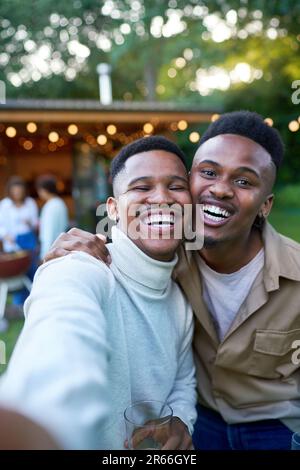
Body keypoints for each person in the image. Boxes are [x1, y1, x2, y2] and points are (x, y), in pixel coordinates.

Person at [46, 111, 300, 450]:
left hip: (277, 425)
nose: (221, 189)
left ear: (266, 205)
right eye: (208, 173)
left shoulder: (295, 274)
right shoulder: (168, 250)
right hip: (201, 419)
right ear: (192, 181)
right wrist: (78, 248)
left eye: (244, 181)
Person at [0, 136, 197, 450]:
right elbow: (62, 327)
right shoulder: (81, 266)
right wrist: (40, 420)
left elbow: (183, 381)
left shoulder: (180, 299)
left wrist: (182, 418)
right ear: (113, 209)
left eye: (175, 186)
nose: (161, 198)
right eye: (142, 187)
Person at [0, 176, 39, 307]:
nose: (17, 194)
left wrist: (30, 223)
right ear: (10, 191)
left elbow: (35, 223)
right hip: (13, 242)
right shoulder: (4, 205)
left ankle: (35, 298)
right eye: (15, 191)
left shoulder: (30, 203)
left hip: (28, 239)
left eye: (19, 191)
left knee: (32, 269)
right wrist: (5, 236)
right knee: (17, 272)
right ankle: (19, 303)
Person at [36, 175, 69, 261]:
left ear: (44, 190)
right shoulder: (60, 203)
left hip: (52, 251)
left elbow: (48, 232)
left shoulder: (51, 206)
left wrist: (44, 255)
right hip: (60, 248)